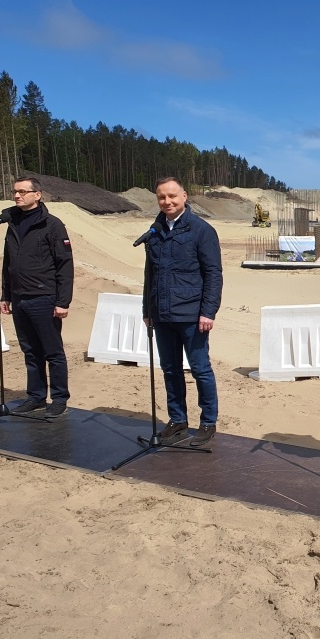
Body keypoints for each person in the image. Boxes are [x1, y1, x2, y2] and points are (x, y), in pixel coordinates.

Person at [142, 177, 223, 447]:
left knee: (200, 369)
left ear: (185, 196)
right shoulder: (154, 231)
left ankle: (208, 422)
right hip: (162, 314)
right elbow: (149, 275)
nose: (167, 202)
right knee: (170, 369)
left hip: (191, 315)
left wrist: (208, 312)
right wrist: (148, 309)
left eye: (172, 196)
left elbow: (213, 274)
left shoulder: (202, 230)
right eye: (162, 197)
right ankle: (177, 420)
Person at [0, 176, 74, 418]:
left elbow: (64, 264)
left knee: (52, 351)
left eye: (22, 191)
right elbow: (8, 264)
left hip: (44, 297)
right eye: (15, 192)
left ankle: (60, 398)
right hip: (19, 298)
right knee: (30, 351)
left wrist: (63, 301)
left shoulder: (52, 225)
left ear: (37, 195)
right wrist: (6, 295)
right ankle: (36, 396)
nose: (17, 196)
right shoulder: (11, 224)